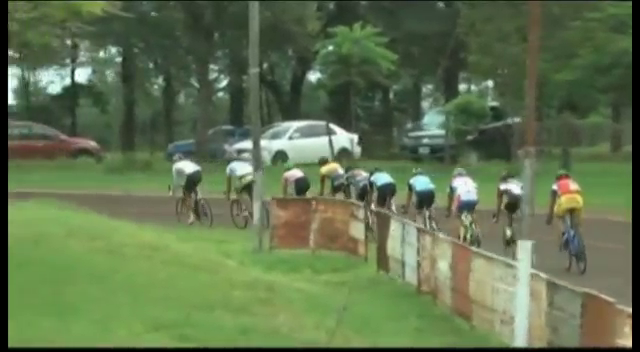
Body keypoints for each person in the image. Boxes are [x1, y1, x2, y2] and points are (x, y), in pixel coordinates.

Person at [546, 170, 584, 249]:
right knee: (576, 217)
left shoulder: (556, 185)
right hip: (577, 200)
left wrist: (550, 217)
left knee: (559, 216)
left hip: (564, 201)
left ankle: (564, 232)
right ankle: (577, 231)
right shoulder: (574, 183)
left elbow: (552, 202)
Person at [446, 167, 479, 242]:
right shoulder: (470, 180)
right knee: (472, 212)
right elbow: (475, 190)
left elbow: (451, 196)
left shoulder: (454, 181)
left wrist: (450, 208)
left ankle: (462, 237)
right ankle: (476, 229)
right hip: (474, 199)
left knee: (459, 216)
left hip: (462, 200)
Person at [169, 153, 203, 225]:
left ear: (175, 161)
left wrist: (172, 191)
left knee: (186, 196)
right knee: (194, 186)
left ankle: (191, 216)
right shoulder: (187, 162)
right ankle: (201, 201)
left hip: (191, 176)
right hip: (199, 173)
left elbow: (176, 181)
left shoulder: (175, 166)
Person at [492, 171, 523, 239]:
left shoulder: (502, 185)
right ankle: (518, 213)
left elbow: (499, 202)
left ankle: (509, 233)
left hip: (512, 199)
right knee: (512, 207)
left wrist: (497, 216)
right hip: (521, 199)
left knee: (509, 212)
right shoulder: (517, 182)